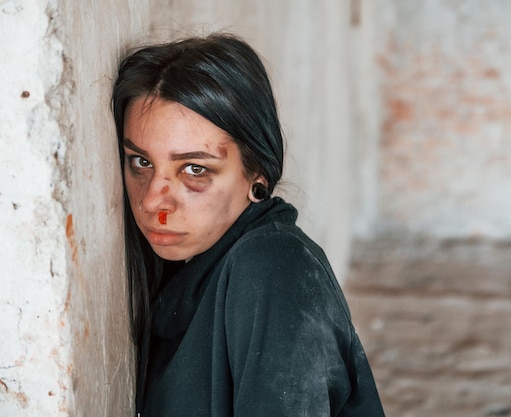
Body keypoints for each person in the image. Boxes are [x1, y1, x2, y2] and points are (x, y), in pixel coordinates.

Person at [111, 32, 385, 417]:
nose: (154, 200)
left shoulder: (273, 267)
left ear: (257, 175)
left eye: (195, 169)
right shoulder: (187, 277)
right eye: (141, 162)